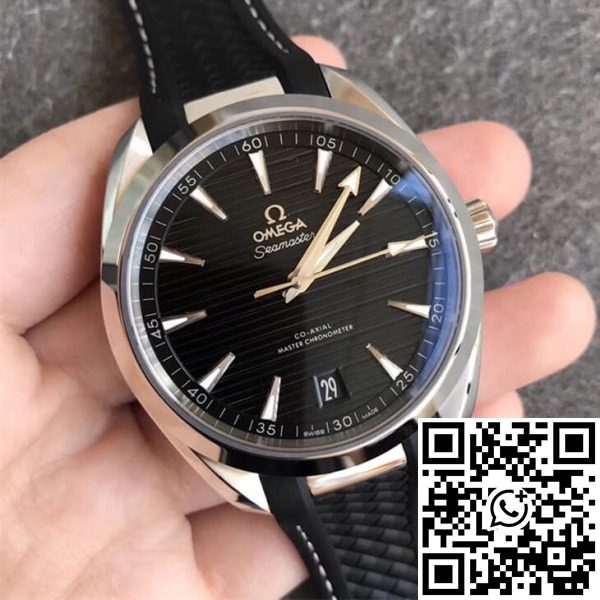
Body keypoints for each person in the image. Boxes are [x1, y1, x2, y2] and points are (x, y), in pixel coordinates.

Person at [0, 37, 595, 599]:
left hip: (393, 413)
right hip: (305, 439)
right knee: (532, 543)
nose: (297, 285)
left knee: (534, 543)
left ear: (469, 227)